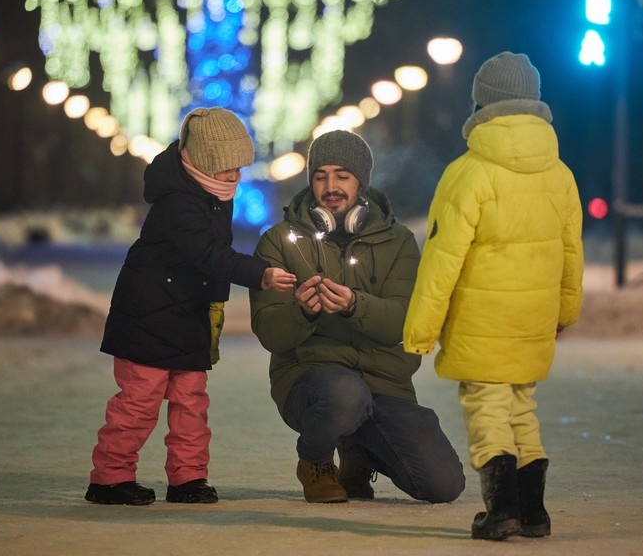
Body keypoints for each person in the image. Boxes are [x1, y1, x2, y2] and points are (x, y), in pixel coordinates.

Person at [402, 51, 584, 540]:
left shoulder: (468, 173)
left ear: (481, 103)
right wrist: (565, 312)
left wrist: (421, 331)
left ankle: (501, 509)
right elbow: (572, 253)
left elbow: (442, 260)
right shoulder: (560, 175)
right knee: (521, 405)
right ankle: (534, 511)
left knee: (487, 406)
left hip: (481, 319)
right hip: (534, 318)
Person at [85, 107, 297, 506]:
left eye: (239, 167)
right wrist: (261, 274)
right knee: (138, 402)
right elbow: (208, 254)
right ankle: (110, 478)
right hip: (149, 315)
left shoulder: (215, 195)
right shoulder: (178, 203)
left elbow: (212, 256)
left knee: (191, 402)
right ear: (200, 162)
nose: (234, 176)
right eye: (225, 168)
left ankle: (188, 478)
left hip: (188, 313)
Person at [249, 130, 465, 504]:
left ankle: (358, 452)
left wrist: (355, 305)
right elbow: (270, 331)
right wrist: (301, 311)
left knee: (442, 485)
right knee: (345, 395)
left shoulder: (397, 241)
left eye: (342, 175)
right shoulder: (279, 241)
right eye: (320, 176)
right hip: (312, 380)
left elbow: (404, 320)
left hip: (385, 382)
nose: (330, 186)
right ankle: (315, 462)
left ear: (361, 181)